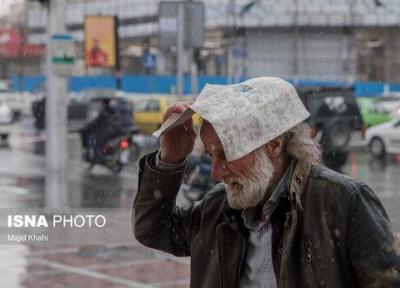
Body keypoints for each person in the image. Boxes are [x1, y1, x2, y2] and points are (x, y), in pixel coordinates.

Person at [133, 77, 400, 287]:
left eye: (226, 153)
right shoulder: (217, 209)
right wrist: (169, 161)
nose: (216, 173)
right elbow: (152, 229)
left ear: (273, 146)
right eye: (212, 155)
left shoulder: (343, 203)